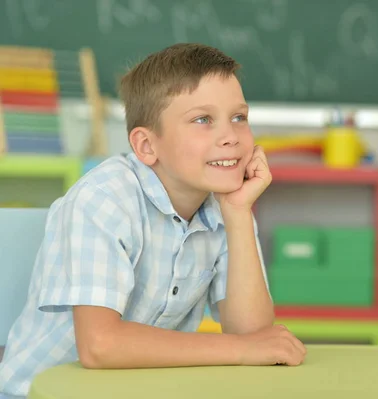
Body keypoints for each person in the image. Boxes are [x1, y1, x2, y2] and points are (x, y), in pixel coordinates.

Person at [0, 43, 306, 398]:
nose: (231, 137)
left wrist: (238, 215)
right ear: (146, 146)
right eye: (203, 120)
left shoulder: (226, 206)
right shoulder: (103, 199)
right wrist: (242, 350)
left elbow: (252, 333)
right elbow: (100, 345)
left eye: (239, 117)